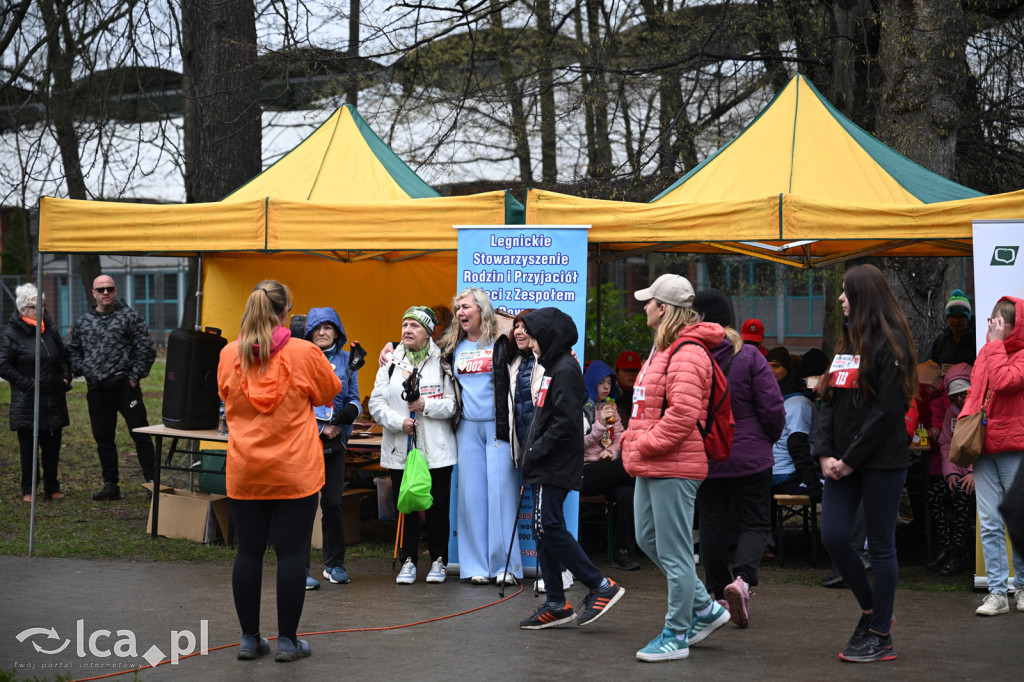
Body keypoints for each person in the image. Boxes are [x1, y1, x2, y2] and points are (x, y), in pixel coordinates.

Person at [217, 280, 341, 662]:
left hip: (245, 470)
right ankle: (287, 641)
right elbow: (328, 392)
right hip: (294, 470)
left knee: (248, 554)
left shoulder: (228, 354)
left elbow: (224, 395)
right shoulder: (304, 352)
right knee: (291, 554)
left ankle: (249, 639)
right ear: (288, 310)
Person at [621, 274, 730, 662]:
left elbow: (683, 416)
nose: (643, 307)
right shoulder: (665, 349)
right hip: (655, 462)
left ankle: (676, 633)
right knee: (648, 538)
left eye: (649, 301)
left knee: (675, 552)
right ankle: (705, 608)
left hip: (672, 464)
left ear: (663, 308)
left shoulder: (687, 352)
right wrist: (634, 443)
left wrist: (640, 444)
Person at [815, 263, 917, 663]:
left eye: (845, 292)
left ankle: (880, 636)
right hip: (840, 461)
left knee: (882, 546)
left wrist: (849, 461)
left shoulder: (892, 344)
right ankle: (875, 612)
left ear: (863, 297)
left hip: (880, 462)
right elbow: (828, 402)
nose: (840, 298)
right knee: (834, 536)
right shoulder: (845, 344)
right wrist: (825, 454)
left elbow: (887, 412)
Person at [517, 307, 625, 630]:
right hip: (546, 463)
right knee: (542, 528)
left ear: (547, 336)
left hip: (554, 464)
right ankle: (555, 602)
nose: (530, 343)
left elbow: (565, 424)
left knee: (548, 526)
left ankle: (600, 585)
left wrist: (535, 451)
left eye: (534, 337)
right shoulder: (553, 366)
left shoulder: (564, 368)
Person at [692, 291, 785, 629]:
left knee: (712, 525)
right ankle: (743, 581)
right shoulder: (749, 356)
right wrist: (767, 439)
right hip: (750, 455)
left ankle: (716, 594)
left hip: (707, 455)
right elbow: (773, 406)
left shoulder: (691, 357)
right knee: (755, 523)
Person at [438, 287, 521, 584]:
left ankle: (505, 567)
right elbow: (417, 350)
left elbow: (532, 342)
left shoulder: (503, 341)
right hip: (467, 427)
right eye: (457, 308)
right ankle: (474, 567)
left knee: (501, 495)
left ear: (482, 310)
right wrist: (389, 349)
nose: (460, 313)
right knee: (471, 497)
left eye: (466, 307)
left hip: (498, 426)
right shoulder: (451, 345)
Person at [370, 306, 458, 585]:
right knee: (405, 505)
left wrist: (425, 406)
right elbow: (376, 403)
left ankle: (439, 560)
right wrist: (399, 421)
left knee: (437, 508)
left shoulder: (442, 361)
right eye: (404, 325)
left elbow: (454, 404)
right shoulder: (391, 361)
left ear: (429, 332)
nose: (407, 330)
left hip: (437, 450)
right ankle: (408, 560)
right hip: (401, 448)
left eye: (414, 326)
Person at [67, 274, 156, 501]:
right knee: (103, 438)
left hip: (125, 387)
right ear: (94, 293)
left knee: (141, 434)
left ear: (115, 291)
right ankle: (111, 484)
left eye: (110, 288)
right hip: (97, 390)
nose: (106, 292)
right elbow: (72, 352)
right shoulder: (83, 322)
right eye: (101, 289)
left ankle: (153, 483)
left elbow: (146, 348)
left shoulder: (129, 317)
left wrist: (135, 377)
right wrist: (84, 368)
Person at [964, 296, 1024, 616]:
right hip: (984, 447)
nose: (992, 327)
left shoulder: (1018, 355)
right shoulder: (988, 351)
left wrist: (996, 345)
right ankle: (998, 593)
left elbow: (1004, 382)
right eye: (991, 321)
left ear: (1016, 326)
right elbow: (976, 397)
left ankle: (1023, 587)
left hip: (1014, 447)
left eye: (999, 322)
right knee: (988, 521)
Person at [303, 307, 362, 590]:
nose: (323, 332)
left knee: (333, 503)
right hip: (304, 444)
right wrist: (320, 426)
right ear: (309, 332)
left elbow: (354, 398)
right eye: (318, 328)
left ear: (337, 331)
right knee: (301, 506)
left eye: (328, 327)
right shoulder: (301, 358)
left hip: (336, 444)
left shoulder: (349, 360)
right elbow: (295, 402)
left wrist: (351, 410)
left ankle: (334, 564)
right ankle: (298, 568)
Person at [0, 283, 72, 502]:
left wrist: (66, 378)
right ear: (23, 309)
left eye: (42, 304)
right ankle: (28, 489)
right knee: (29, 448)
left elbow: (63, 357)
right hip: (28, 401)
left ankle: (52, 487)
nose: (40, 308)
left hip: (53, 399)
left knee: (52, 446)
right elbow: (3, 365)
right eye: (35, 305)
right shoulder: (12, 334)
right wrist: (28, 384)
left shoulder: (49, 329)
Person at [582, 360, 638, 570]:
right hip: (585, 471)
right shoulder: (580, 406)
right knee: (630, 469)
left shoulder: (611, 407)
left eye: (608, 382)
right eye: (600, 382)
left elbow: (620, 439)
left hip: (609, 469)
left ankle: (620, 552)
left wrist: (612, 451)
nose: (606, 387)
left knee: (628, 494)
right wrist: (599, 427)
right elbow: (576, 443)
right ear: (590, 383)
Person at [932, 363, 975, 577]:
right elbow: (946, 444)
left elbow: (985, 444)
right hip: (958, 471)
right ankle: (945, 546)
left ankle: (959, 552)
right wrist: (951, 474)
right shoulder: (952, 412)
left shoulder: (981, 408)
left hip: (978, 472)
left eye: (963, 393)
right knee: (935, 493)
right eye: (955, 394)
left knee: (961, 496)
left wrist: (973, 472)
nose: (959, 399)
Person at [766, 346, 822, 503]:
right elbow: (797, 445)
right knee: (842, 488)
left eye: (776, 366)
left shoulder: (791, 401)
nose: (770, 371)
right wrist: (813, 484)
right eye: (767, 366)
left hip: (773, 473)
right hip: (786, 476)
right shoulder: (798, 402)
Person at [928, 289, 976, 371]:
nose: (956, 320)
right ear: (947, 318)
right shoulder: (941, 341)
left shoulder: (976, 340)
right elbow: (929, 367)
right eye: (952, 316)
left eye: (960, 316)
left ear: (967, 318)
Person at [614, 350, 642, 427]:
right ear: (617, 372)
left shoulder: (645, 395)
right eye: (626, 370)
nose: (631, 374)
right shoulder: (610, 395)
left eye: (634, 370)